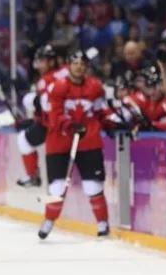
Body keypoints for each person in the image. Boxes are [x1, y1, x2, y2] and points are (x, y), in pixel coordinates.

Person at [41, 50, 121, 240]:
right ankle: (48, 220)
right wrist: (68, 126)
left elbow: (101, 110)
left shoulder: (95, 87)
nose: (79, 67)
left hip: (89, 140)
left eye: (83, 63)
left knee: (93, 186)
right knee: (56, 188)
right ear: (69, 65)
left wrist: (110, 123)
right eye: (75, 63)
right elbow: (55, 114)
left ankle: (103, 225)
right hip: (59, 142)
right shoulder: (58, 87)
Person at [16, 45, 69, 187]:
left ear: (51, 62)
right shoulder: (67, 70)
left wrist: (33, 104)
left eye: (42, 61)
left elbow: (46, 106)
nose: (38, 65)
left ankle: (32, 176)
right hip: (69, 121)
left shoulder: (44, 80)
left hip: (53, 125)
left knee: (23, 140)